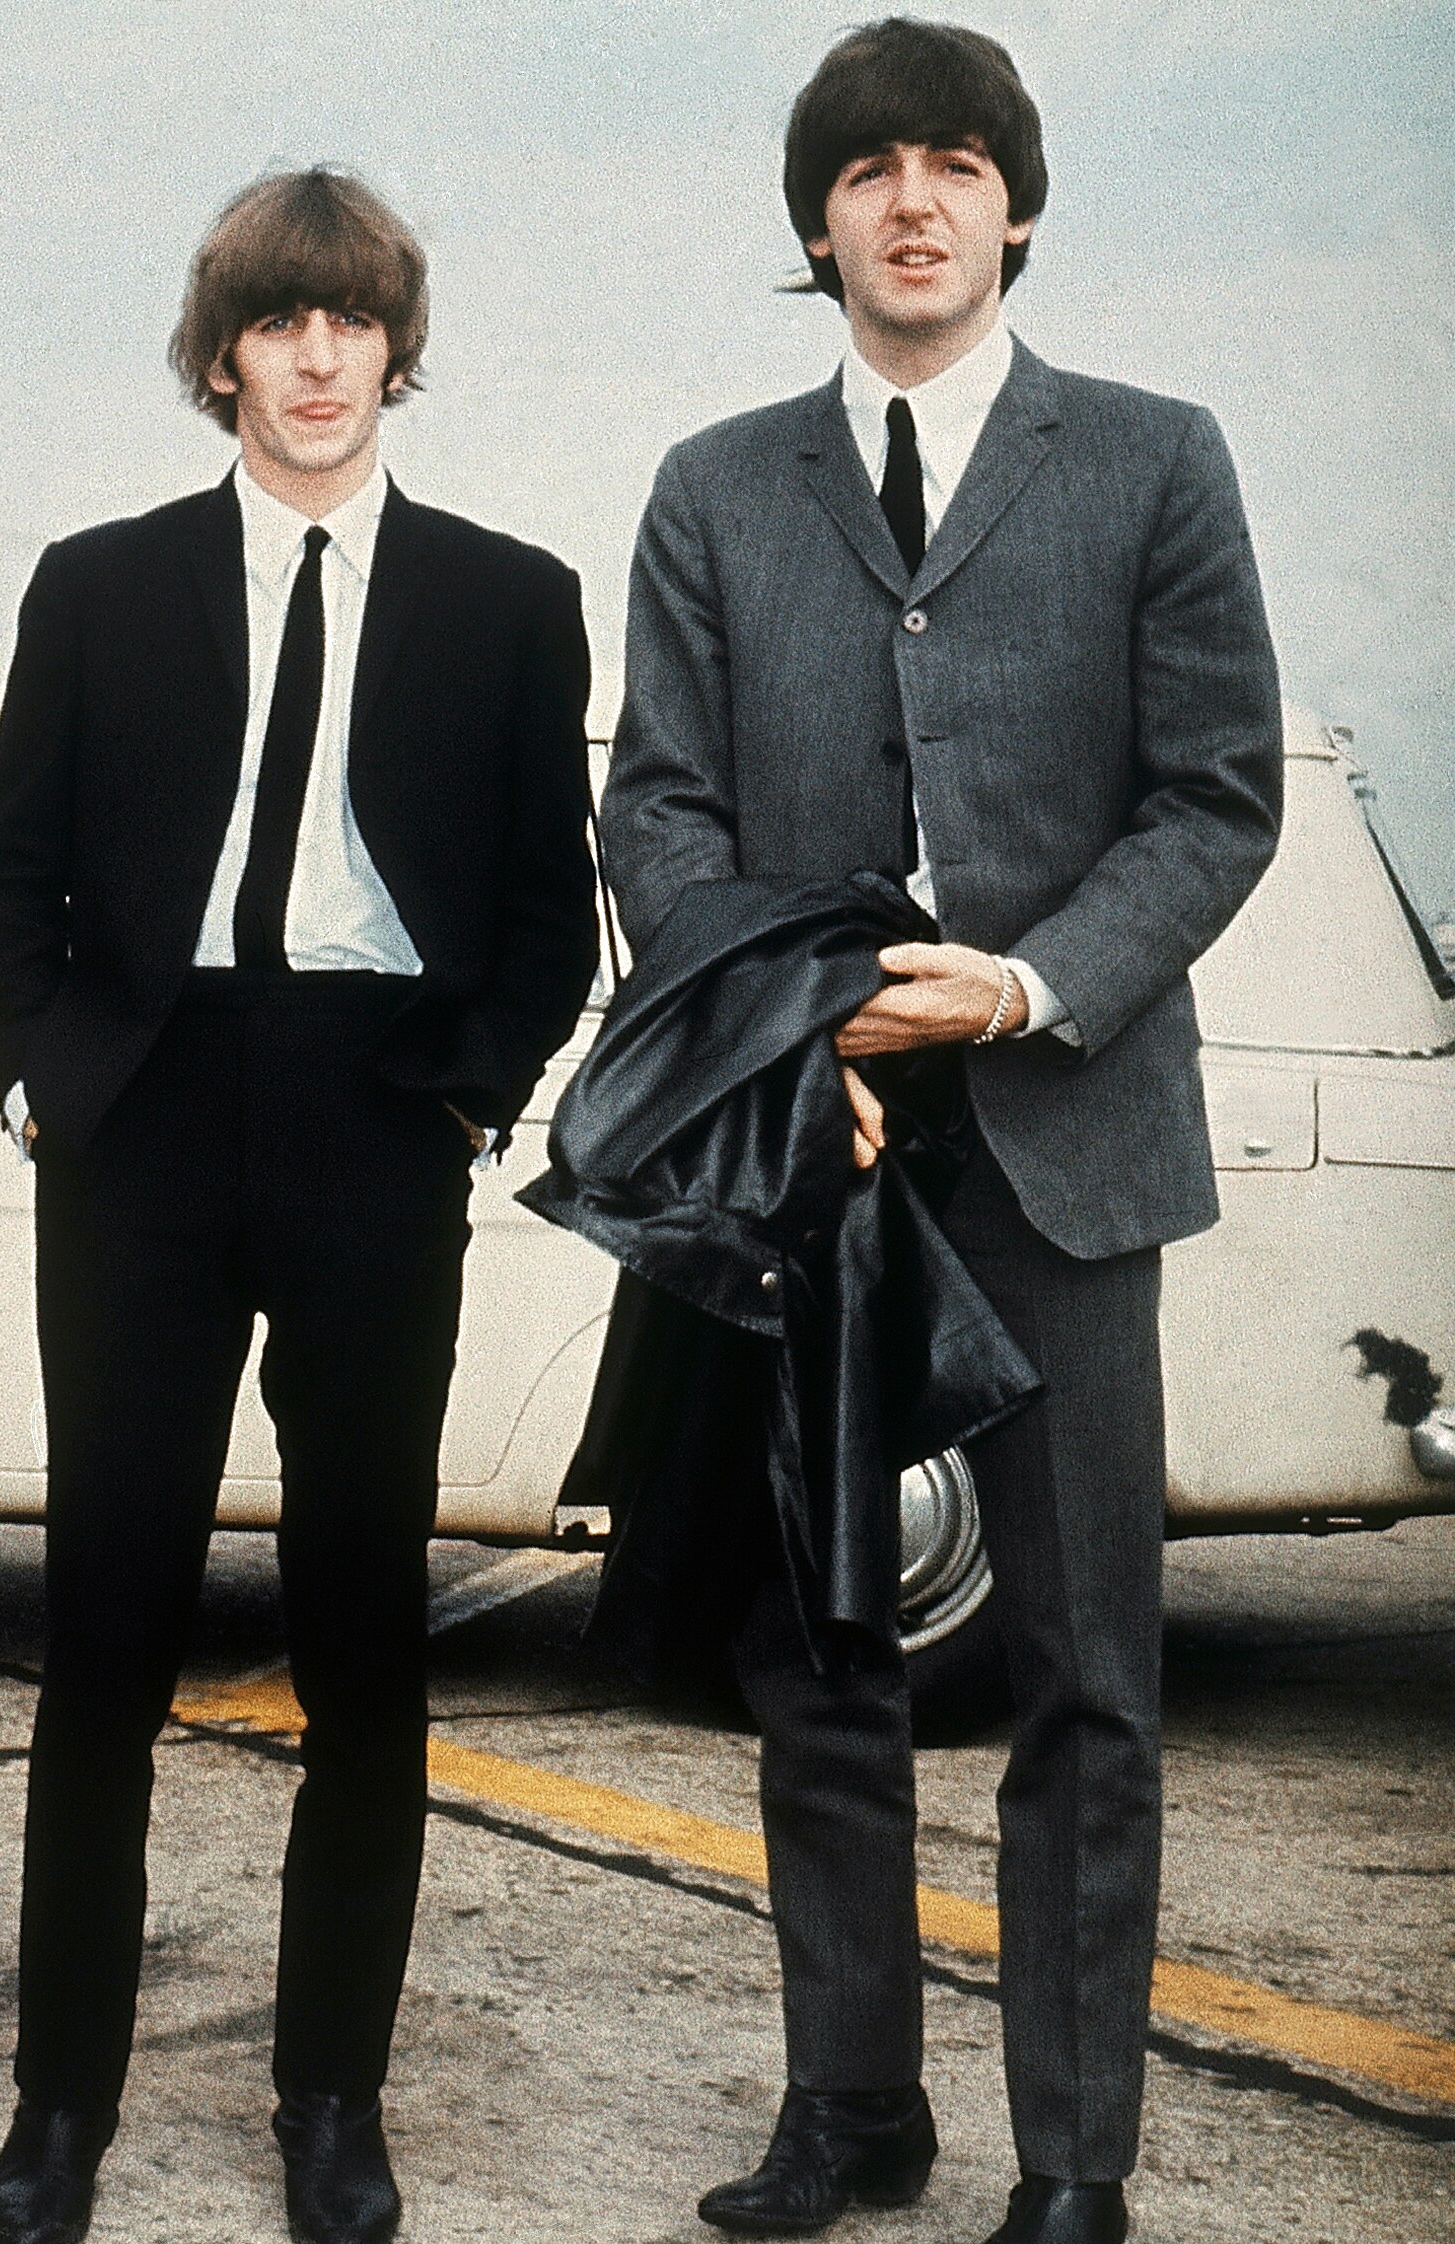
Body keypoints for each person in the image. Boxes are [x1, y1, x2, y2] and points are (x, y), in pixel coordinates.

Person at [603, 23, 1281, 2244]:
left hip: (1068, 1140)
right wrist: (796, 1040)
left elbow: (1215, 796)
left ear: (1013, 207)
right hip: (823, 1154)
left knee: (1088, 1668)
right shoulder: (715, 487)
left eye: (957, 165)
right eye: (872, 169)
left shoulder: (1155, 463)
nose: (915, 200)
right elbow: (662, 806)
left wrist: (1025, 981)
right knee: (820, 1652)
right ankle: (854, 2114)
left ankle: (1072, 2163)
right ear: (818, 225)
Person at [0, 168, 598, 2244]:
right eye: (277, 322)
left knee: (363, 1644)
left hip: (369, 1118)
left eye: (350, 324)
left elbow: (541, 917)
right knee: (105, 1633)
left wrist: (460, 1100)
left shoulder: (509, 600)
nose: (316, 360)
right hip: (140, 1121)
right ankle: (61, 2107)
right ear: (220, 349)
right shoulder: (100, 583)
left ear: (392, 348)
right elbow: (6, 881)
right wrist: (58, 1082)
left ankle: (333, 2099)